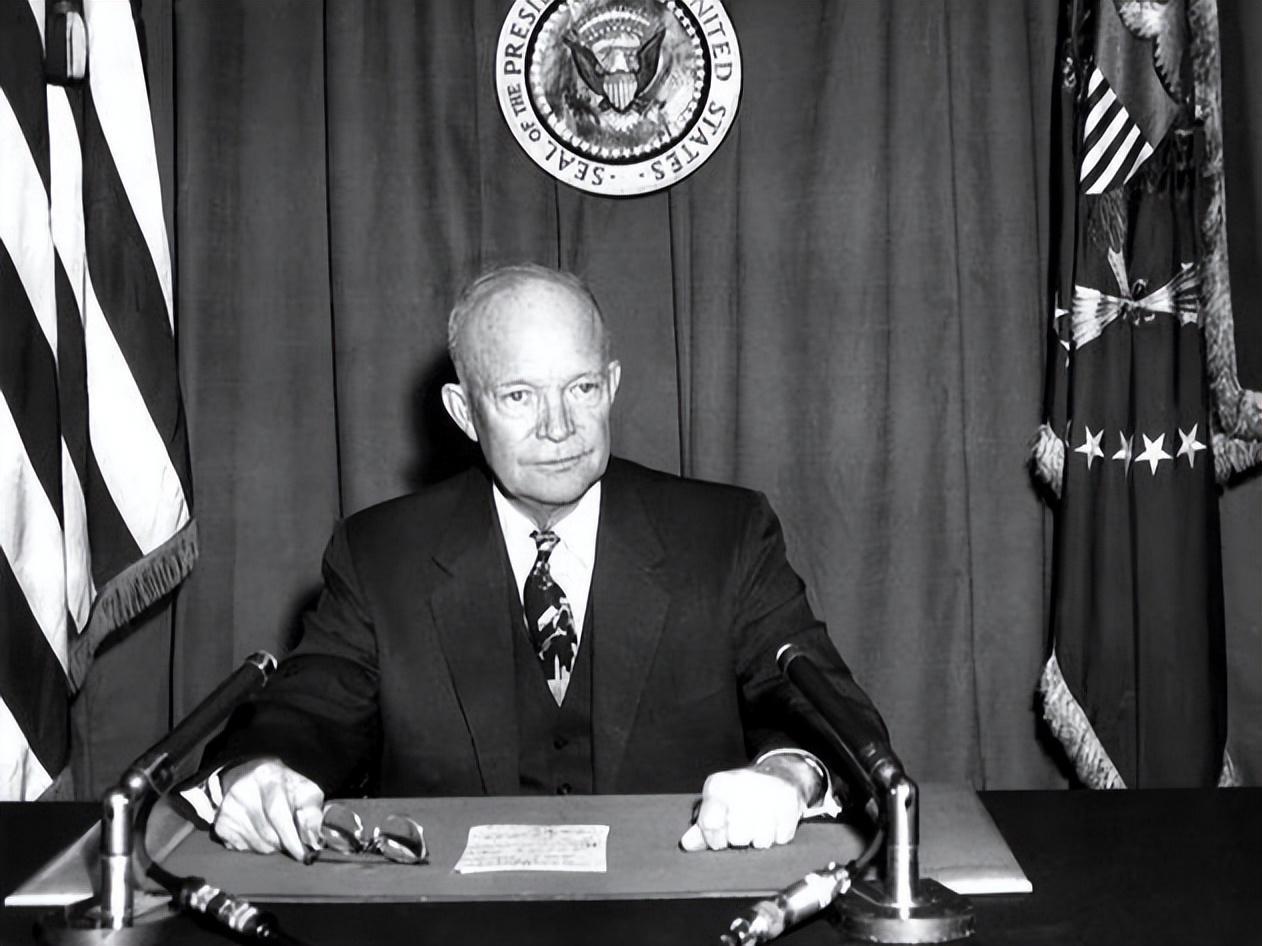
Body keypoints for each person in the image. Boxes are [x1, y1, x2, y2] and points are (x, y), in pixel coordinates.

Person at [204, 264, 889, 861]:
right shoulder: (382, 554)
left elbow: (831, 716)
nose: (559, 427)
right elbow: (307, 712)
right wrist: (259, 774)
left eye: (581, 388)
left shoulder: (725, 534)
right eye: (519, 396)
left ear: (611, 386)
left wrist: (789, 775)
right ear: (464, 413)